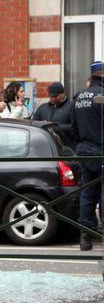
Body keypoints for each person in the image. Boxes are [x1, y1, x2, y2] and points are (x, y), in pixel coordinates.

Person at [71, 61, 104, 251]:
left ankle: (85, 236)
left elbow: (73, 129)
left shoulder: (78, 97)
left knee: (87, 193)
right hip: (100, 149)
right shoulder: (101, 96)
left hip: (84, 150)